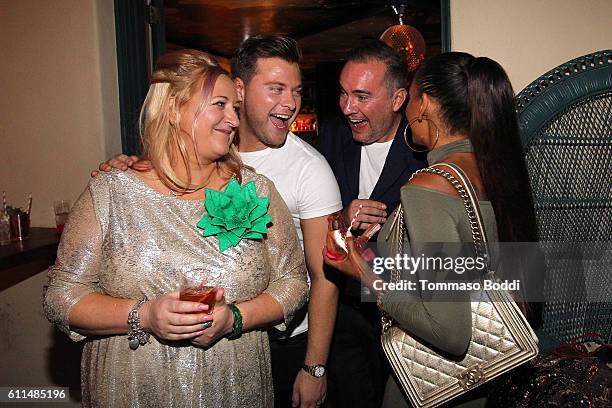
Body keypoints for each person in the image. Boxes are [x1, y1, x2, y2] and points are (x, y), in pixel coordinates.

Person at [44, 49, 308, 407]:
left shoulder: (254, 190)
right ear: (172, 109)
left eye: (235, 108)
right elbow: (62, 297)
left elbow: (294, 283)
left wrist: (236, 318)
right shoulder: (112, 192)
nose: (233, 119)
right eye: (220, 104)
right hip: (132, 386)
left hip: (233, 385)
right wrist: (144, 315)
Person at [94, 35, 342, 408]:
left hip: (281, 341)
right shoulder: (205, 142)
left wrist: (315, 367)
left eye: (296, 91)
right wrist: (130, 170)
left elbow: (321, 275)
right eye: (276, 89)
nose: (291, 103)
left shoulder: (309, 170)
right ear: (239, 90)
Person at [323, 51, 539, 407]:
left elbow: (448, 332)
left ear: (423, 105)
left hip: (437, 385)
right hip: (487, 377)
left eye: (411, 94)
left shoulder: (430, 187)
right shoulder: (490, 170)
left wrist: (365, 273)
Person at [316, 41, 425, 407]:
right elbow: (308, 220)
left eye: (361, 96)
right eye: (344, 94)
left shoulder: (424, 147)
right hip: (345, 312)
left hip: (411, 319)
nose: (348, 108)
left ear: (398, 99)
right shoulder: (331, 135)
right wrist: (342, 219)